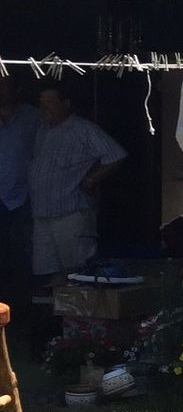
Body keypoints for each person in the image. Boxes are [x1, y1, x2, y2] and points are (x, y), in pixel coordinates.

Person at [30, 82, 125, 284]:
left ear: (66, 104)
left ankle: (80, 315)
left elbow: (115, 155)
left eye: (50, 102)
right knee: (51, 274)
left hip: (71, 213)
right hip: (42, 215)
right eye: (42, 102)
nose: (45, 107)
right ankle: (60, 314)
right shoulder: (43, 130)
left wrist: (91, 179)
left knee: (78, 271)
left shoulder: (83, 129)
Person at [0, 77, 36, 306]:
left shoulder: (33, 117)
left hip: (26, 195)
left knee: (25, 253)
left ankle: (23, 306)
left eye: (4, 86)